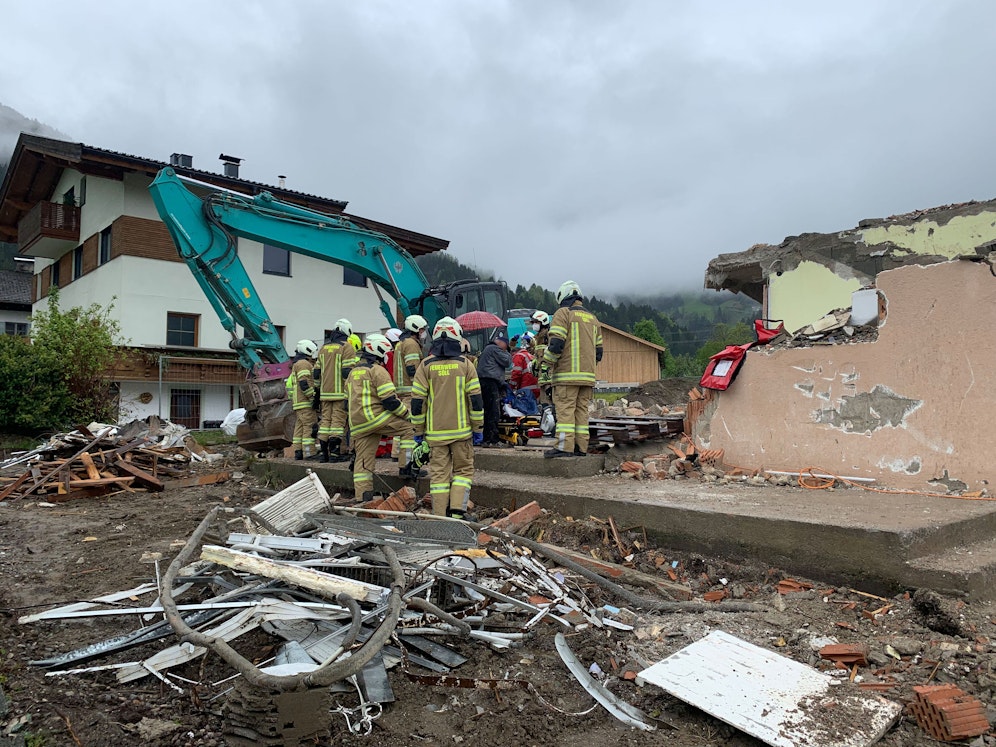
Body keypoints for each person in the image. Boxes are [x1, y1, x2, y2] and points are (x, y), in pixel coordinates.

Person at [411, 317, 483, 518]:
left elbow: (417, 404)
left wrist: (418, 432)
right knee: (463, 473)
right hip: (462, 433)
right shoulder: (466, 365)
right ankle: (458, 515)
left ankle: (440, 518)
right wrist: (478, 429)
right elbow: (476, 401)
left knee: (439, 478)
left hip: (435, 435)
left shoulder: (425, 366)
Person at [345, 333, 414, 500]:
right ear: (379, 351)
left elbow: (345, 402)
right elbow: (390, 401)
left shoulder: (352, 373)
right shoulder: (378, 371)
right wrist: (407, 414)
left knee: (363, 463)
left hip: (358, 424)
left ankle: (363, 498)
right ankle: (406, 467)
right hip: (375, 418)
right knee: (409, 428)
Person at [541, 281, 602, 458]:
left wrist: (546, 364)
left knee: (565, 413)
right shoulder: (593, 319)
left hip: (566, 377)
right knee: (581, 413)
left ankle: (564, 447)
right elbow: (599, 353)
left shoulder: (563, 313)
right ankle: (580, 448)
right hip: (587, 378)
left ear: (562, 297)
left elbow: (556, 344)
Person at [314, 318, 357, 462]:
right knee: (338, 423)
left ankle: (323, 455)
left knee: (325, 422)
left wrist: (317, 391)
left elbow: (316, 373)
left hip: (325, 393)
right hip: (340, 393)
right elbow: (347, 372)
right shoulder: (347, 347)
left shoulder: (323, 348)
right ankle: (334, 454)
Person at [391, 314, 428, 464]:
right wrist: (420, 387)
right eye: (422, 330)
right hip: (410, 389)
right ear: (416, 329)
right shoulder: (411, 344)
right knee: (410, 425)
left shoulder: (401, 343)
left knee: (402, 421)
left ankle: (396, 452)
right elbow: (413, 367)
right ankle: (406, 458)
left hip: (401, 388)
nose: (424, 332)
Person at [476, 331, 512, 447]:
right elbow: (507, 362)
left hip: (484, 382)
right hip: (490, 382)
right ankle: (493, 439)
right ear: (501, 343)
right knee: (493, 412)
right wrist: (507, 353)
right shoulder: (494, 348)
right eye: (506, 347)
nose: (505, 350)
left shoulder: (487, 349)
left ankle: (486, 439)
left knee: (487, 411)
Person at [286, 339, 319, 460]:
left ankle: (298, 452)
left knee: (299, 428)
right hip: (305, 402)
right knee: (310, 427)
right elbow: (304, 383)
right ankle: (309, 452)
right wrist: (313, 398)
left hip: (298, 403)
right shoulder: (304, 364)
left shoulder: (297, 364)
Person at [510, 332, 540, 403]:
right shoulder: (531, 356)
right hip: (537, 387)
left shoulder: (519, 356)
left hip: (526, 388)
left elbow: (516, 374)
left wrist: (510, 388)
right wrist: (513, 341)